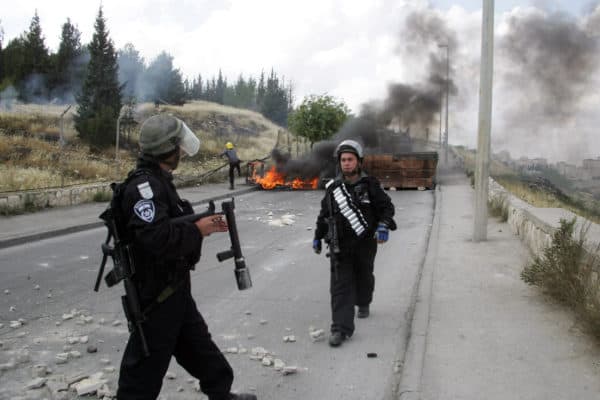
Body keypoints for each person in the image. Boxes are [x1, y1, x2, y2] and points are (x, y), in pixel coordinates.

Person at [116, 114, 256, 400]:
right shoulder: (144, 188)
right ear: (166, 149)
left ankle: (221, 393)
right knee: (143, 370)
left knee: (200, 348)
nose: (182, 151)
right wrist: (198, 230)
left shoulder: (158, 181)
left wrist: (199, 225)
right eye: (178, 145)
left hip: (174, 287)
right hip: (157, 295)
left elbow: (172, 224)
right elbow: (156, 239)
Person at [312, 139, 396, 347]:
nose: (346, 163)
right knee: (340, 286)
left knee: (364, 275)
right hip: (340, 245)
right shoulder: (333, 189)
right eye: (343, 160)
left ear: (359, 162)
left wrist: (383, 225)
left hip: (365, 243)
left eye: (350, 159)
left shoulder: (371, 185)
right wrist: (317, 236)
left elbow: (387, 208)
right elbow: (324, 215)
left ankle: (364, 301)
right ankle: (340, 328)